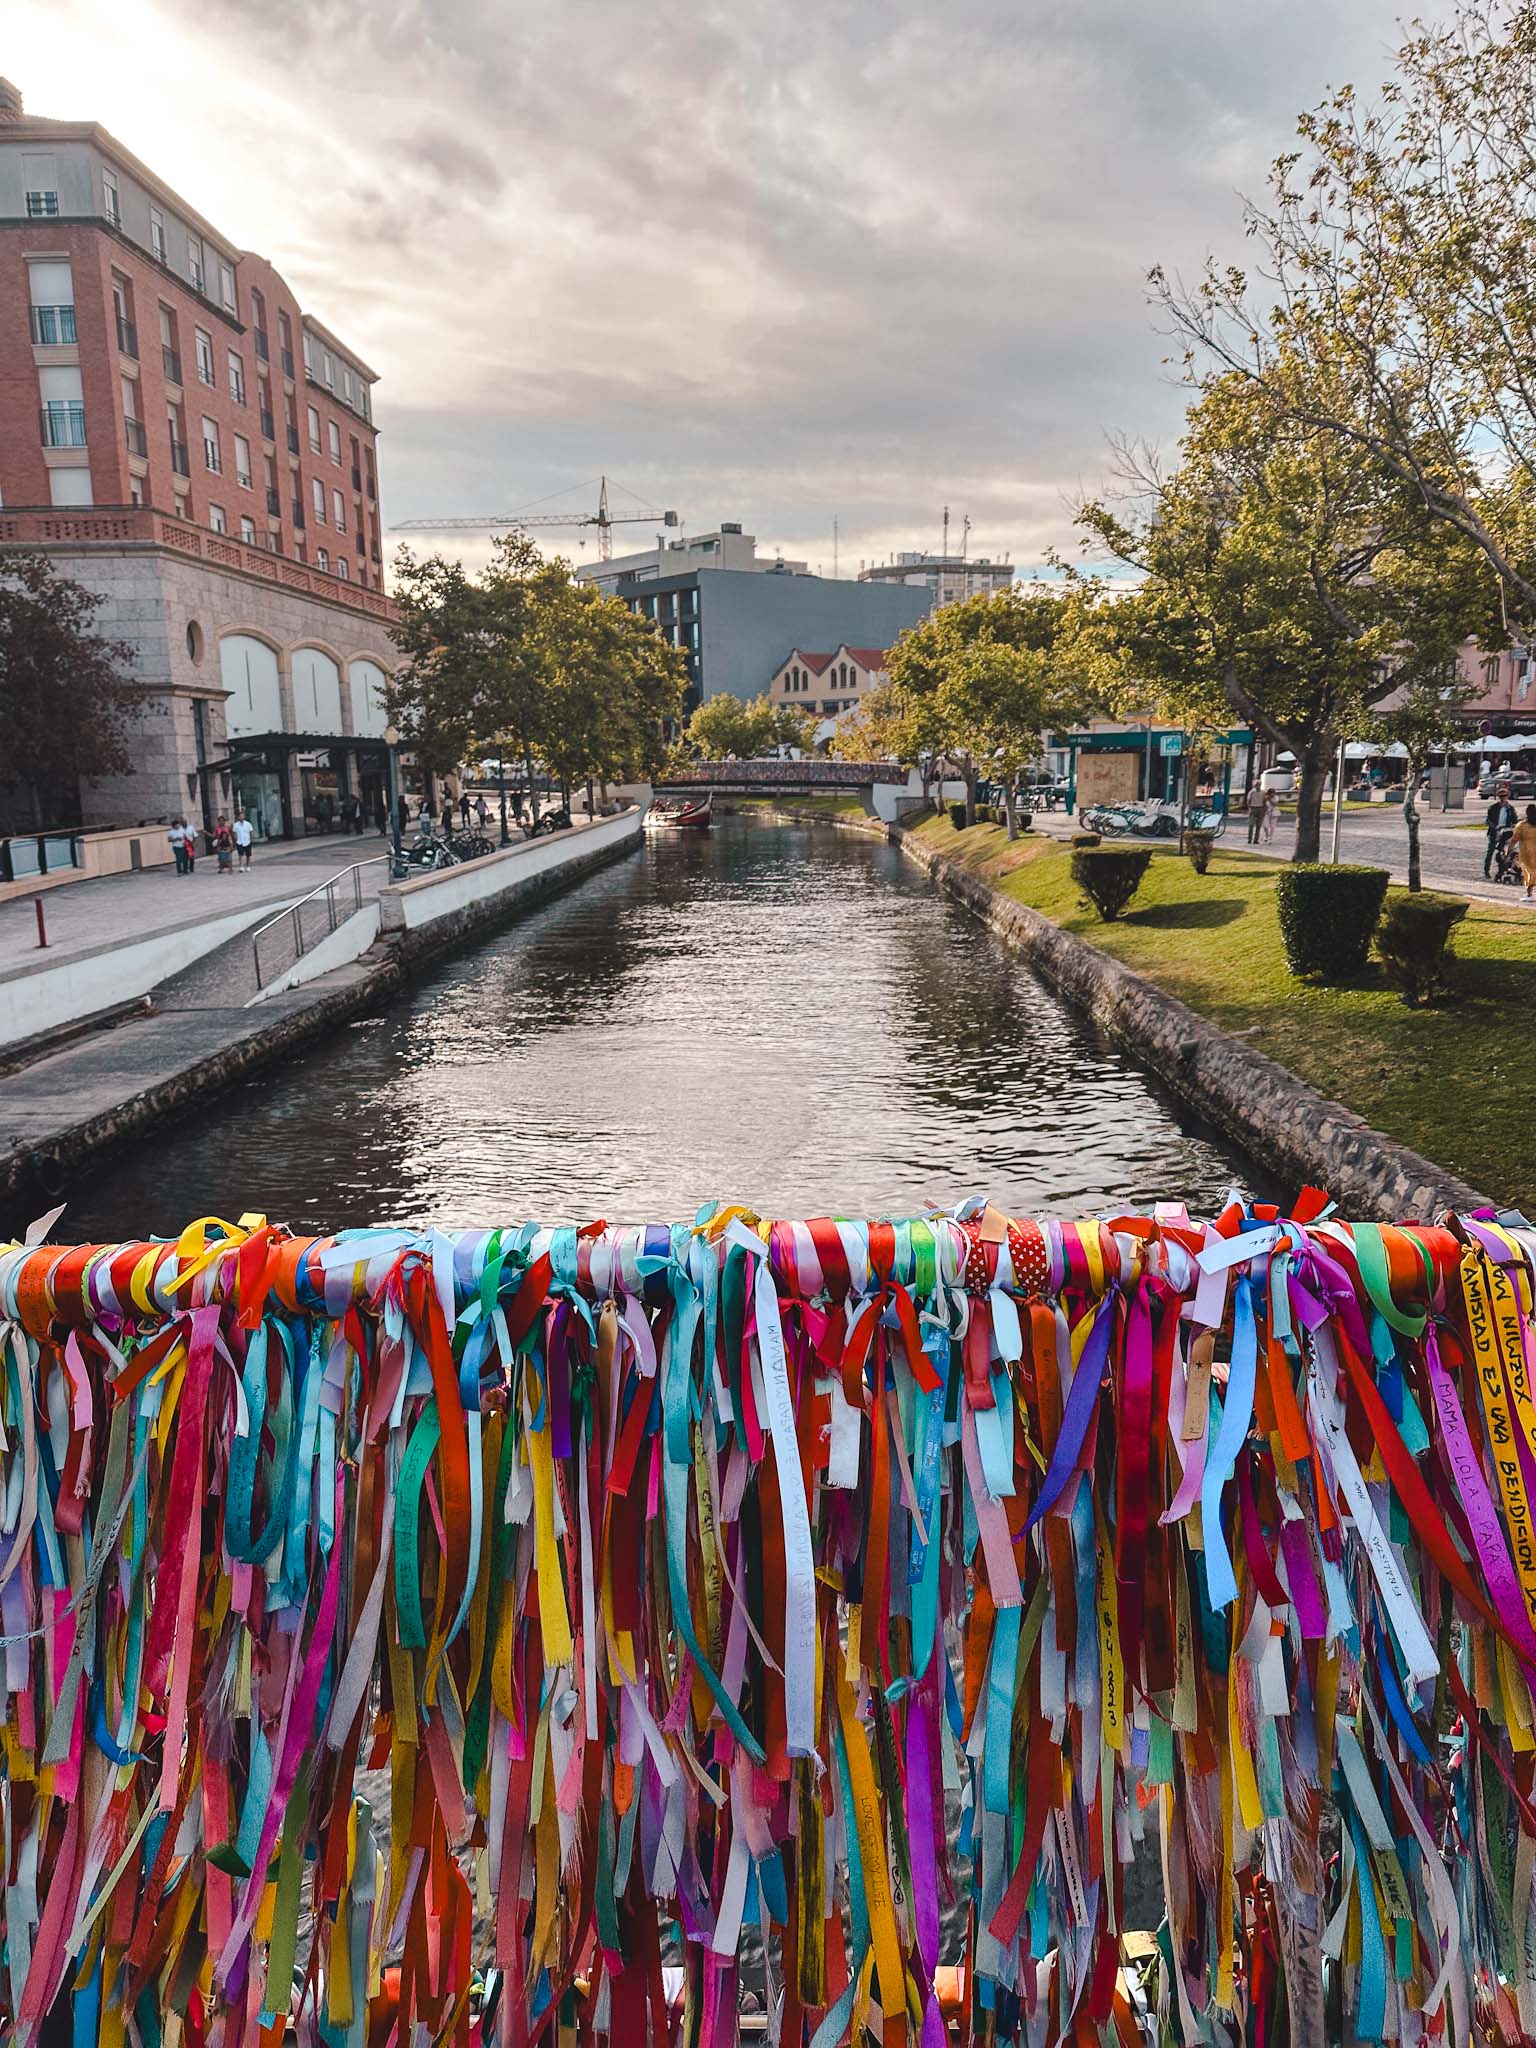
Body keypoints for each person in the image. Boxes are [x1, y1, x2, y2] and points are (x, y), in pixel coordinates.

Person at [1485, 783, 1518, 878]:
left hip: (1505, 833)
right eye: (1501, 796)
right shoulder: (1493, 807)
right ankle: (1487, 870)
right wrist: (1495, 827)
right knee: (1490, 851)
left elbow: (1514, 820)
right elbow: (1488, 820)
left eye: (1505, 796)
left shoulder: (1510, 809)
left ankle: (1502, 869)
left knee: (1504, 852)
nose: (1503, 798)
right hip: (1494, 832)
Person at [1511, 802, 1536, 904]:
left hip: (1526, 853)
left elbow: (1514, 839)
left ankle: (1529, 894)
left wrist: (1508, 850)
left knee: (1528, 873)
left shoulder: (1521, 825)